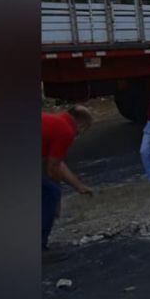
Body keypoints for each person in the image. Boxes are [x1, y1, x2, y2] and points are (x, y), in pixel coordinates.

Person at [42, 105, 94, 258]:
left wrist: (79, 186)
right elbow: (52, 169)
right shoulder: (66, 131)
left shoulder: (55, 121)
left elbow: (57, 163)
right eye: (85, 129)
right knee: (51, 192)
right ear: (82, 124)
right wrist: (57, 202)